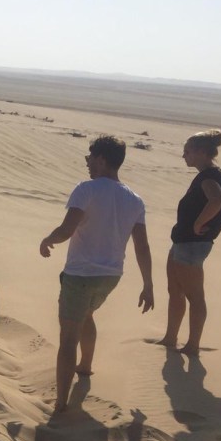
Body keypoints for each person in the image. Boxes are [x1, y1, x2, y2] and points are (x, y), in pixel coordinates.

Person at [40, 135, 154, 413]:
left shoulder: (86, 189)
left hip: (80, 275)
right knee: (87, 315)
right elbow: (142, 246)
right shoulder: (135, 200)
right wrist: (148, 284)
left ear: (102, 160)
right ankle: (86, 365)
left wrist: (48, 239)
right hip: (110, 276)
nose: (87, 163)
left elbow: (67, 229)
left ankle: (61, 403)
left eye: (90, 158)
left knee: (68, 337)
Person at [157, 129, 221, 357]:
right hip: (183, 241)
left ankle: (193, 345)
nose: (184, 155)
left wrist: (200, 223)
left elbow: (218, 199)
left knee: (194, 297)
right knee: (175, 290)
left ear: (201, 152)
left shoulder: (209, 176)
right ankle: (170, 337)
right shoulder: (210, 175)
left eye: (187, 151)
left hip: (192, 244)